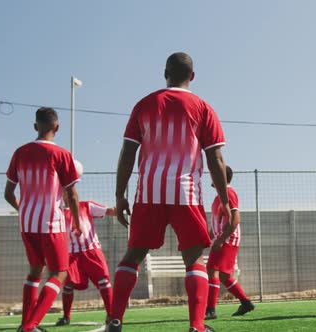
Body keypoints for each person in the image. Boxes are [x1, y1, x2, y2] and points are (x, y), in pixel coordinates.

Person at [107, 52, 230, 332]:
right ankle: (197, 327)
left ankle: (115, 319)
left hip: (148, 192)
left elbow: (127, 151)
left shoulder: (145, 104)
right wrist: (226, 202)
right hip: (185, 193)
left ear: (165, 72)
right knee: (194, 260)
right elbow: (216, 159)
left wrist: (119, 194)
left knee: (132, 256)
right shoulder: (203, 108)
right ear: (193, 76)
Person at [4, 107, 81, 332]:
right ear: (57, 127)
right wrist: (76, 221)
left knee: (35, 270)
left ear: (35, 126)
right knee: (60, 272)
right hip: (51, 222)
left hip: (27, 222)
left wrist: (24, 209)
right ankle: (30, 325)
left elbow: (8, 194)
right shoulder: (62, 155)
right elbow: (72, 195)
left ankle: (24, 325)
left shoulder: (20, 152)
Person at [55, 167, 116, 326]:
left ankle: (111, 315)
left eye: (70, 190)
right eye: (64, 191)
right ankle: (66, 316)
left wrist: (120, 210)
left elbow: (109, 211)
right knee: (67, 285)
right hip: (71, 254)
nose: (67, 194)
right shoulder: (58, 212)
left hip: (92, 251)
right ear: (61, 195)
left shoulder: (86, 206)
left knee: (104, 281)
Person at [205, 166, 254, 320]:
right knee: (225, 276)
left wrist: (220, 239)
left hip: (228, 239)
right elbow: (217, 222)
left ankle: (210, 310)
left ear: (221, 177)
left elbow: (235, 219)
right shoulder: (218, 197)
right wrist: (209, 236)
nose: (211, 177)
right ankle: (246, 303)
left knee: (212, 269)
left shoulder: (228, 193)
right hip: (225, 238)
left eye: (214, 174)